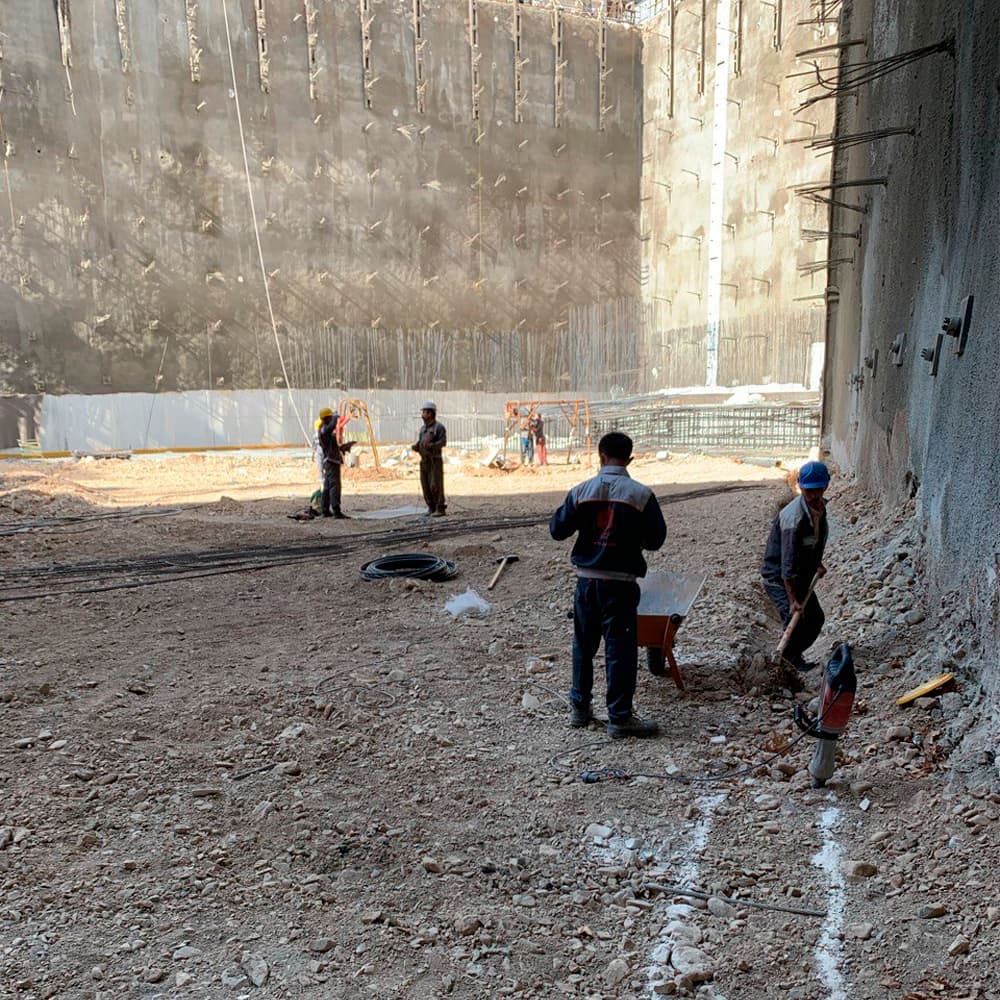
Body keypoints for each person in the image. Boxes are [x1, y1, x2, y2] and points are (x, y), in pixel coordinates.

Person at [550, 432, 666, 739]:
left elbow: (557, 530)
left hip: (587, 582)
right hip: (621, 585)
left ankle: (579, 709)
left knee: (583, 646)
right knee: (620, 651)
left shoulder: (581, 491)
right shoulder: (641, 495)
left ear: (600, 456)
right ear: (630, 459)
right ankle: (619, 717)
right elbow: (656, 540)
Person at [760, 460, 830, 671]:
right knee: (794, 619)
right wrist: (792, 600)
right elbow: (788, 564)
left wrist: (816, 563)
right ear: (800, 487)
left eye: (818, 489)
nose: (814, 495)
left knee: (815, 619)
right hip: (779, 578)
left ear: (825, 486)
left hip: (800, 576)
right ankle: (787, 666)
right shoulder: (793, 518)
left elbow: (813, 541)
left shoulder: (819, 508)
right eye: (809, 491)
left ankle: (791, 659)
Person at [412, 401, 447, 516]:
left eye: (425, 412)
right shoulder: (423, 429)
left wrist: (431, 446)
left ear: (431, 413)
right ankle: (431, 507)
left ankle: (440, 508)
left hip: (434, 461)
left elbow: (443, 442)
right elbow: (421, 441)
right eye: (423, 412)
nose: (423, 415)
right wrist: (417, 446)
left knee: (435, 485)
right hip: (424, 461)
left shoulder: (439, 427)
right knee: (425, 485)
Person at [317, 407, 348, 519]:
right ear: (327, 418)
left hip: (329, 461)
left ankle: (325, 510)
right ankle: (336, 510)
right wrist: (337, 416)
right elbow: (332, 425)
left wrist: (342, 448)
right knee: (335, 486)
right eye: (330, 417)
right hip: (331, 461)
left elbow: (332, 443)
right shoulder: (324, 429)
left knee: (327, 486)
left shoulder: (323, 429)